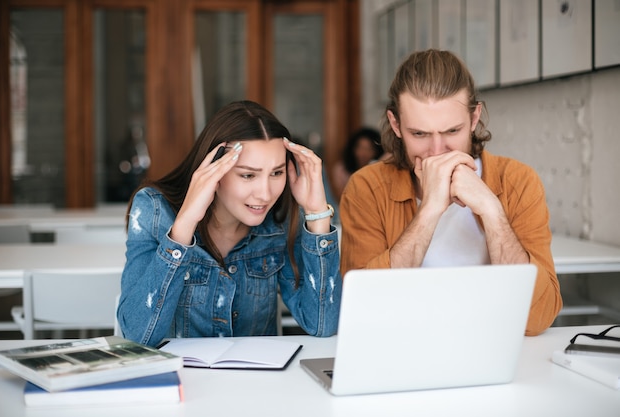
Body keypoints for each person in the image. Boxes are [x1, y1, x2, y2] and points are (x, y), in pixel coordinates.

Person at [339, 49, 562, 336]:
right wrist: (430, 209)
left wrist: (492, 212)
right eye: (419, 134)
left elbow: (537, 319)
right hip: (404, 349)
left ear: (474, 118)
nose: (436, 152)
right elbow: (365, 312)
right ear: (395, 125)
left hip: (494, 348)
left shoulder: (518, 181)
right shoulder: (366, 188)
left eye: (452, 131)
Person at [117, 100, 341, 346]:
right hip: (184, 380)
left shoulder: (280, 220)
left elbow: (322, 324)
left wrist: (317, 213)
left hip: (255, 382)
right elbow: (137, 337)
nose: (265, 194)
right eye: (248, 175)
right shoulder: (154, 209)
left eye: (276, 173)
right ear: (214, 170)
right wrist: (185, 224)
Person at [330, 127, 384, 201]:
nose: (363, 153)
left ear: (377, 151)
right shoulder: (341, 170)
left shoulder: (380, 170)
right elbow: (341, 197)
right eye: (360, 148)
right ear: (352, 149)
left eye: (369, 149)